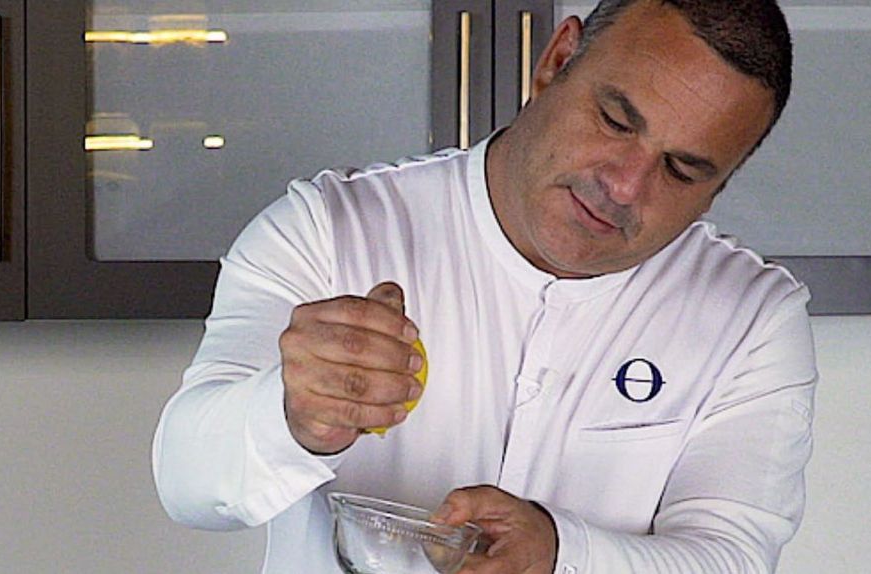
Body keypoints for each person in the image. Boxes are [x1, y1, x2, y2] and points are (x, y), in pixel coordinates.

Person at [152, 0, 817, 572]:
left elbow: (732, 555)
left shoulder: (751, 315)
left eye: (681, 170)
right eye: (616, 121)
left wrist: (560, 553)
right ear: (556, 61)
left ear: (719, 187)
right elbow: (187, 484)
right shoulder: (329, 229)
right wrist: (290, 414)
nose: (623, 186)